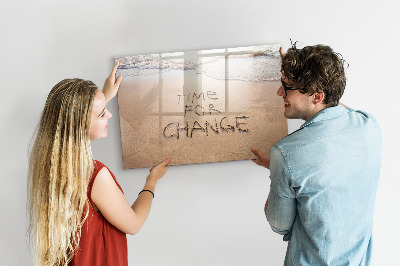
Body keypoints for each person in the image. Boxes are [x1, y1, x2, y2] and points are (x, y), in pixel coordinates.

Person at [27, 62, 170, 266]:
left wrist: (104, 96)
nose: (109, 115)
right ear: (81, 123)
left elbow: (76, 118)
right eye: (102, 113)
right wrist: (151, 181)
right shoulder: (95, 176)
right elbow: (134, 224)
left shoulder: (50, 165)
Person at [251, 43, 382, 265]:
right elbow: (335, 106)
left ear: (317, 96)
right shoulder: (369, 125)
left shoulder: (286, 154)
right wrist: (298, 72)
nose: (279, 92)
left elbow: (279, 225)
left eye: (287, 87)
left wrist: (277, 169)